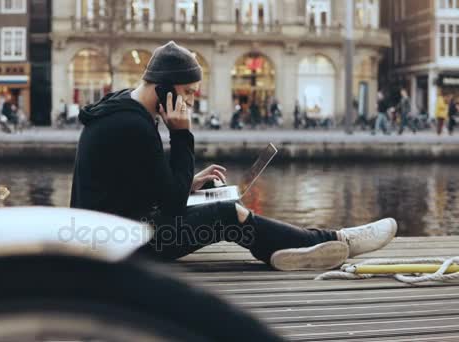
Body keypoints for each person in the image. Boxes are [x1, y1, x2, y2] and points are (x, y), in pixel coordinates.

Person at [70, 41, 397, 271]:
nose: (192, 102)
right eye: (188, 93)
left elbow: (138, 187)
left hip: (108, 236)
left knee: (225, 208)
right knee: (229, 214)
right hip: (123, 246)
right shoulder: (132, 125)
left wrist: (190, 183)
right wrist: (182, 134)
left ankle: (293, 248)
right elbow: (170, 207)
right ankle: (339, 240)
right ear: (165, 89)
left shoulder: (123, 108)